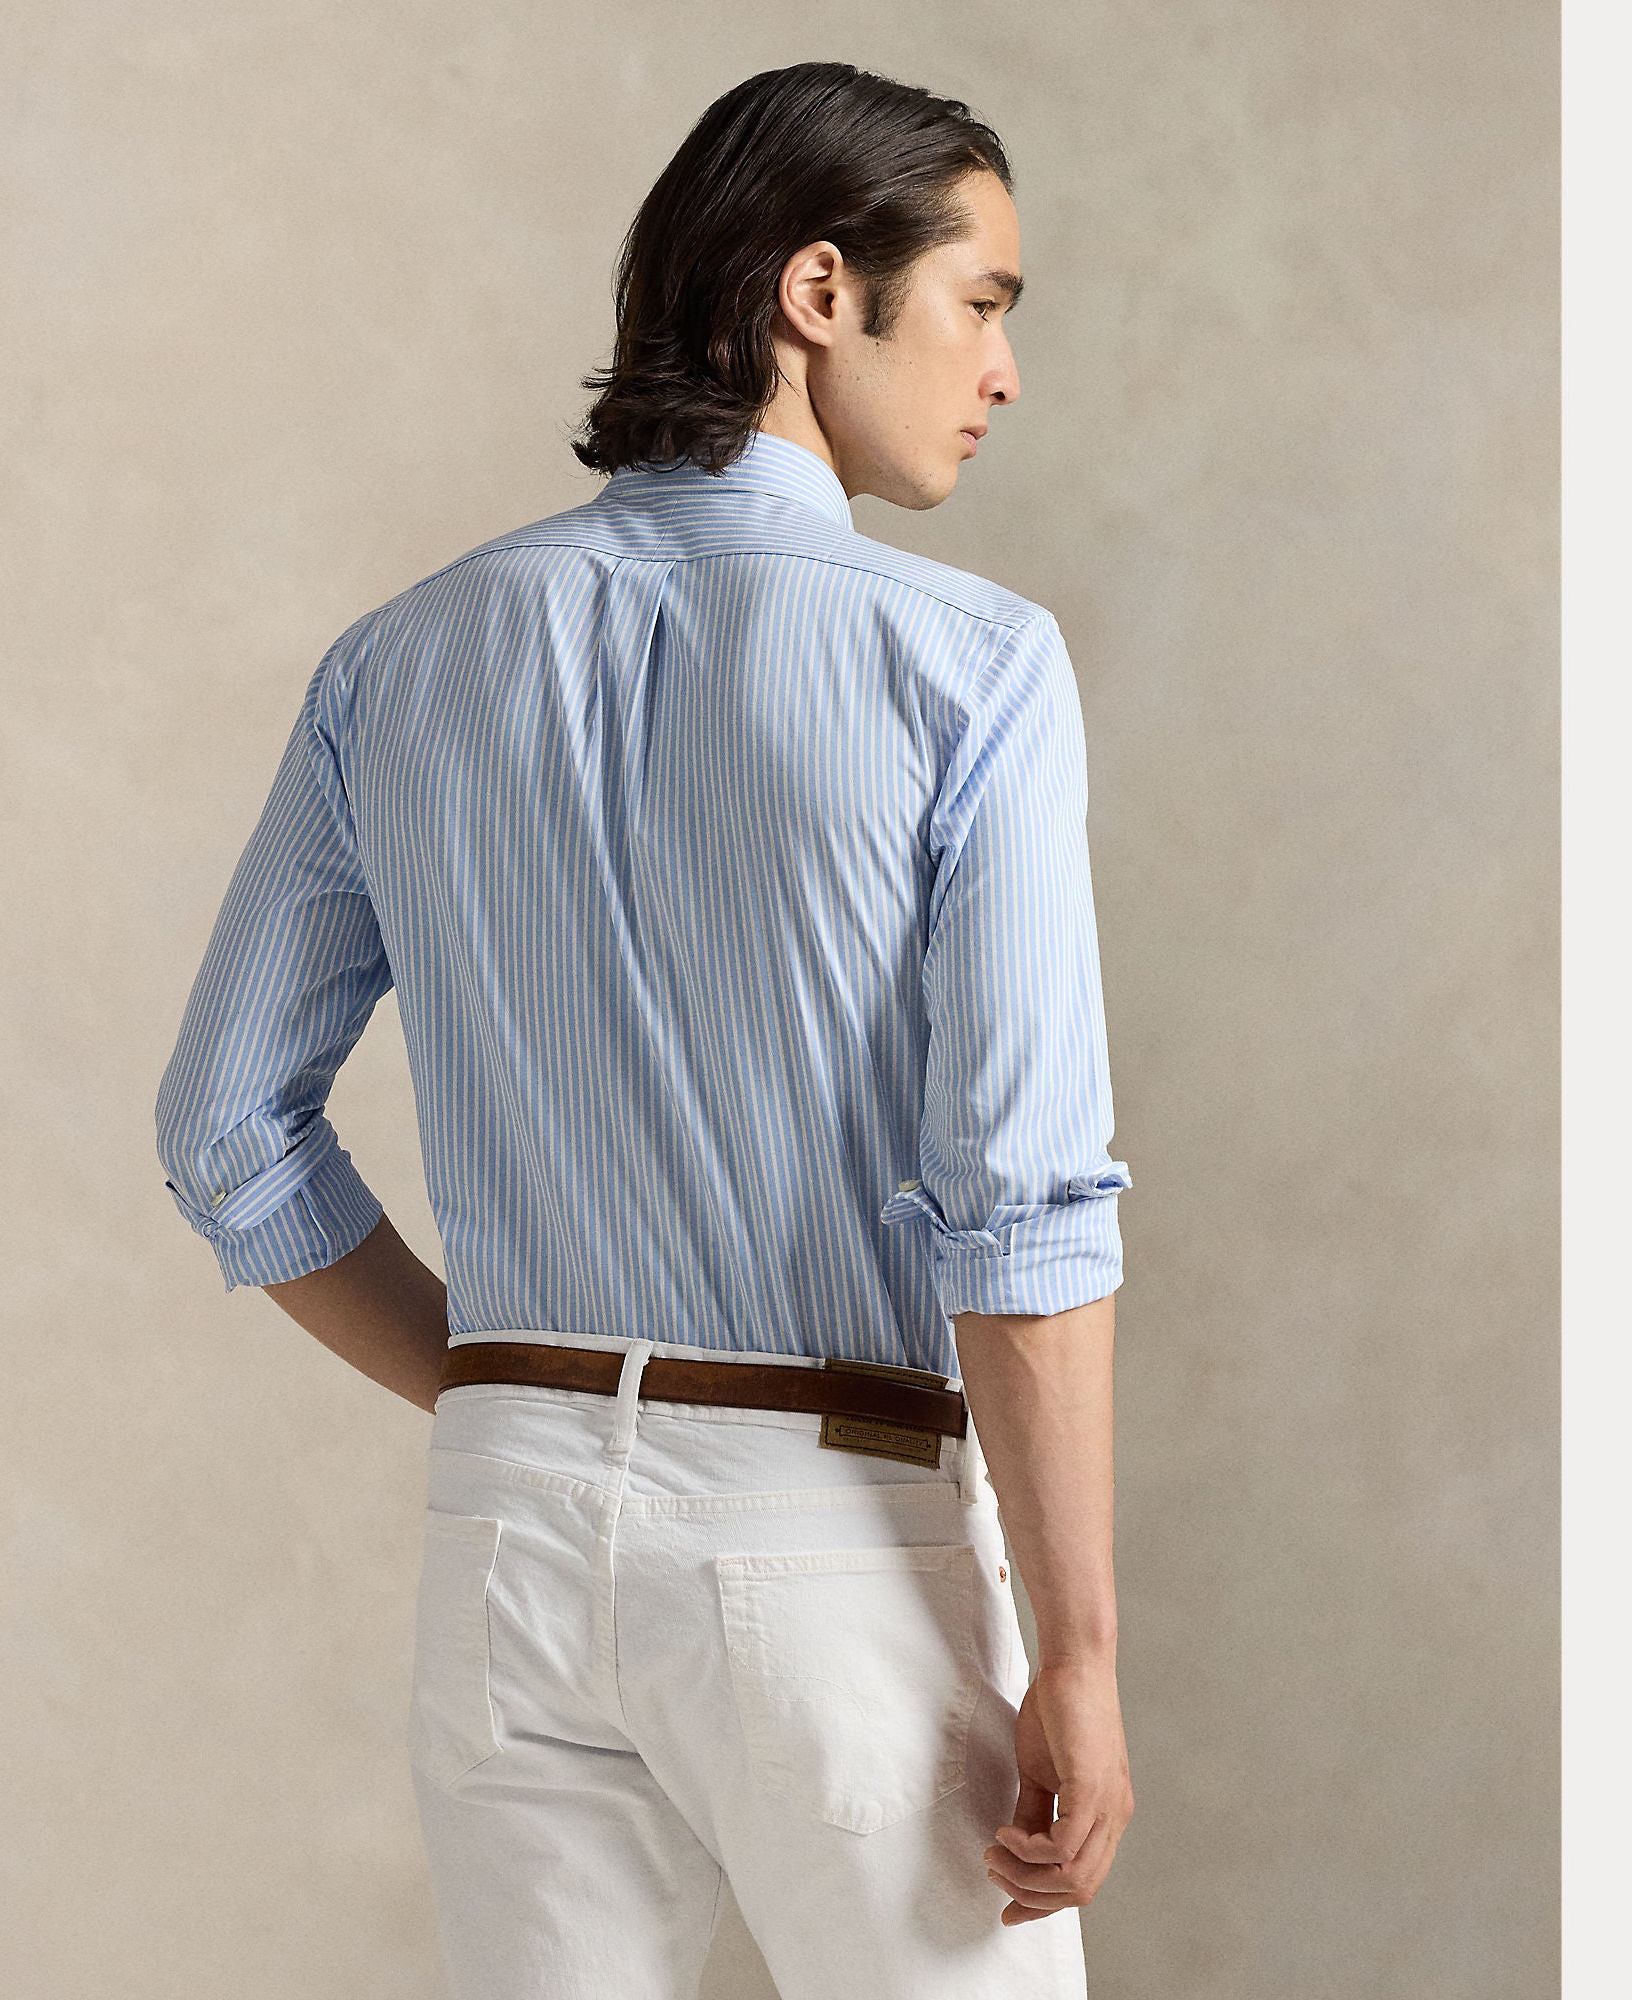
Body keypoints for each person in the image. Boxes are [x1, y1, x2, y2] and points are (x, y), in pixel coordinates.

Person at [154, 59, 1135, 2000]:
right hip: (829, 1538)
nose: (1004, 370)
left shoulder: (402, 660)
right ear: (821, 290)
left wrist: (520, 1402)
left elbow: (225, 1127)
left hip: (507, 1542)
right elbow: (1019, 1205)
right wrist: (1086, 1654)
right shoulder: (969, 666)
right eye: (981, 302)